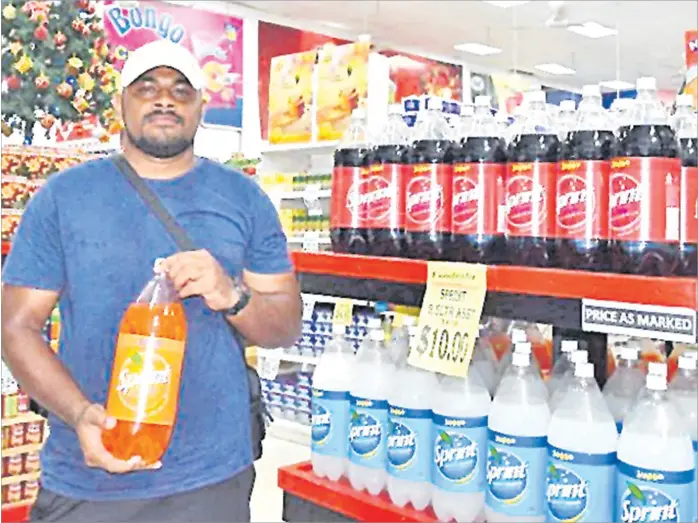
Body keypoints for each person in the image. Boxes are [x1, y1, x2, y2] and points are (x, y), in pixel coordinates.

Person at [1, 39, 301, 522]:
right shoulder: (64, 197)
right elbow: (16, 326)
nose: (165, 99)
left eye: (182, 90)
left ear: (201, 108)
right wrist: (79, 414)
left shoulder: (244, 199)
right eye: (147, 88)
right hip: (89, 475)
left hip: (211, 477)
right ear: (121, 103)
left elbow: (284, 325)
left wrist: (231, 294)